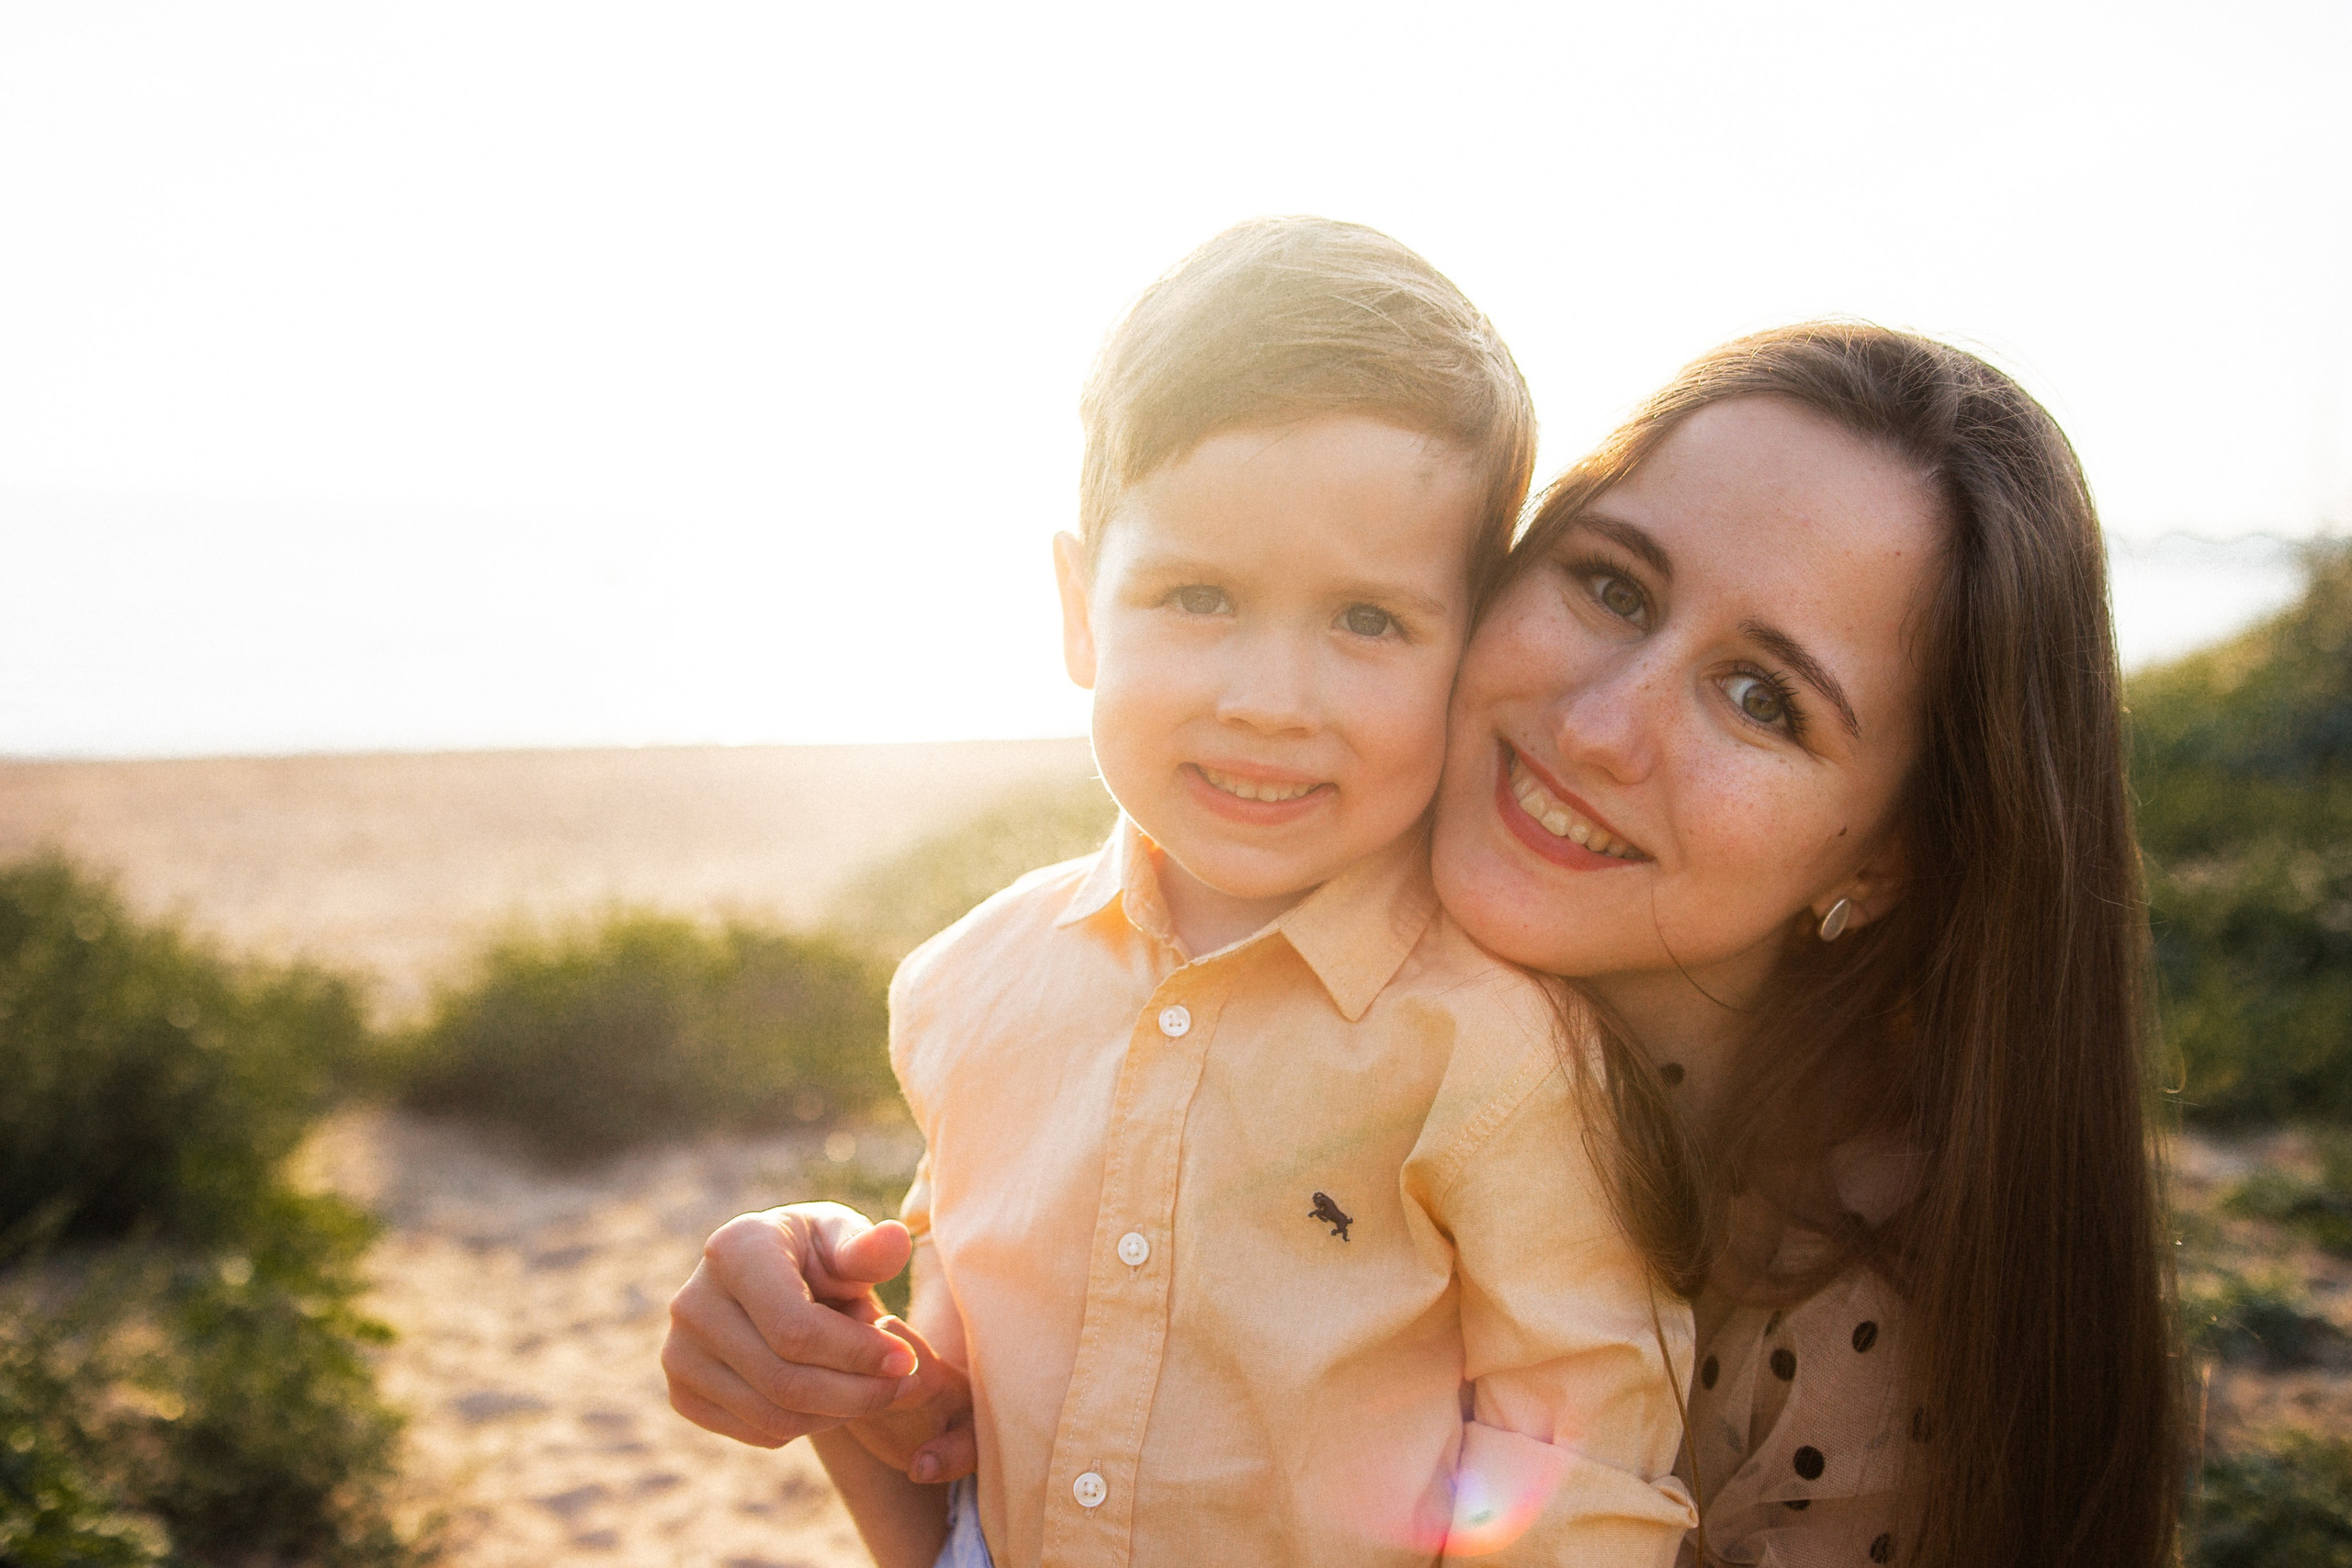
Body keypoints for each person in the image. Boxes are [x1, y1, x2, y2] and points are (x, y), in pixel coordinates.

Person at [662, 217, 1700, 1568]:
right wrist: (829, 1333)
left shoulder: (1496, 1050)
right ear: (1082, 608)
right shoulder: (968, 984)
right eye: (1196, 596)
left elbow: (1578, 1486)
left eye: (1368, 619)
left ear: (1472, 640)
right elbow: (959, 1441)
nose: (1271, 702)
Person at [1429, 322, 2181, 1565]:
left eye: (1762, 699)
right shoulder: (1230, 969)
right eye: (1613, 585)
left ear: (1888, 860)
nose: (1604, 728)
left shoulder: (1852, 1332)